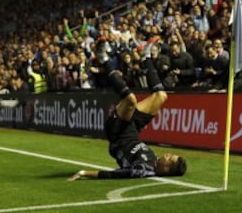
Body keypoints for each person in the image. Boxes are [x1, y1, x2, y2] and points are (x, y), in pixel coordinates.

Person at [69, 36, 187, 181]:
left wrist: (83, 173)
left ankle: (103, 58)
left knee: (131, 99)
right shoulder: (155, 161)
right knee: (161, 96)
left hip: (117, 133)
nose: (168, 154)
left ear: (167, 168)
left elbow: (113, 174)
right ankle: (146, 57)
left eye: (170, 158)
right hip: (132, 129)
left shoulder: (142, 169)